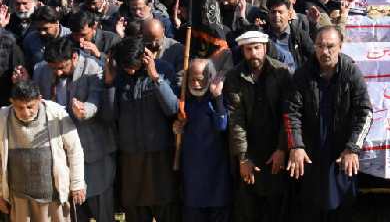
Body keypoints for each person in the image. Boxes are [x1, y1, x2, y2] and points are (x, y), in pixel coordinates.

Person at [284, 26, 373, 221]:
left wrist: (352, 148)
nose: (325, 52)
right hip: (311, 149)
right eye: (320, 46)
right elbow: (291, 113)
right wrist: (296, 146)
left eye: (330, 46)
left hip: (341, 149)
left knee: (341, 205)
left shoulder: (351, 72)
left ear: (340, 46)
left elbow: (365, 113)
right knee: (310, 205)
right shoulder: (302, 74)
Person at [34, 37, 116, 222]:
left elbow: (95, 100)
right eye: (53, 68)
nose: (58, 72)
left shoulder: (93, 68)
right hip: (60, 154)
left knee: (101, 207)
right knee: (73, 212)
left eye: (62, 67)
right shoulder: (41, 70)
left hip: (92, 151)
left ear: (74, 57)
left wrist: (84, 111)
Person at [102, 36, 179, 222]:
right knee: (135, 210)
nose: (130, 70)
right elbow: (109, 116)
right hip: (131, 158)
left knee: (165, 208)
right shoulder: (119, 76)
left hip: (159, 155)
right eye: (126, 67)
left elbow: (172, 108)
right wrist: (109, 84)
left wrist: (155, 77)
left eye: (133, 67)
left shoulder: (163, 69)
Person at [223, 30, 292, 222]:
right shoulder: (234, 76)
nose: (253, 53)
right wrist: (243, 158)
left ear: (265, 48)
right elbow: (236, 120)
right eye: (248, 49)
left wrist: (282, 149)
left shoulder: (281, 72)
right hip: (250, 149)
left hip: (276, 148)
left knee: (277, 206)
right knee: (248, 207)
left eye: (257, 48)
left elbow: (288, 114)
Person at [0, 80, 86, 222]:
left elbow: (74, 149)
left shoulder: (56, 113)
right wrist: (1, 193)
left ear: (39, 99)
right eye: (20, 107)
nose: (25, 112)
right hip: (20, 198)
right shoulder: (3, 118)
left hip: (54, 197)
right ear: (12, 102)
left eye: (30, 106)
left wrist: (77, 184)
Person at [174, 58, 231, 222]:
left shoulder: (216, 99)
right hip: (192, 171)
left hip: (216, 171)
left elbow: (222, 125)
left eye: (200, 79)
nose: (196, 84)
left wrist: (217, 97)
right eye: (192, 79)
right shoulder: (184, 100)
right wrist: (177, 127)